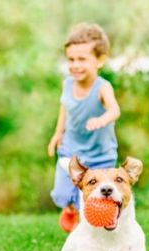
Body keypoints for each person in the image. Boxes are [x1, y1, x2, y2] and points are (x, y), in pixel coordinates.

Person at [47, 23, 121, 232]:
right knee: (61, 195)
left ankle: (87, 234)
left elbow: (115, 110)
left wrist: (103, 119)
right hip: (71, 151)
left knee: (93, 202)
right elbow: (65, 107)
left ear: (100, 60)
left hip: (100, 156)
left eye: (82, 59)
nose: (75, 65)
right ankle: (69, 207)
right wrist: (58, 133)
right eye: (71, 59)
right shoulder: (67, 84)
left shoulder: (102, 87)